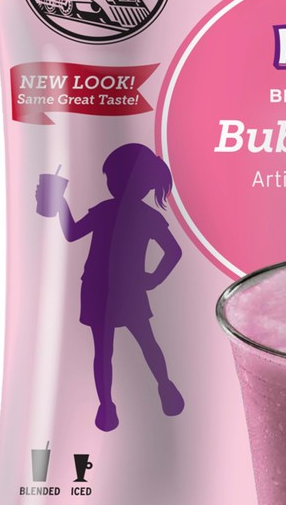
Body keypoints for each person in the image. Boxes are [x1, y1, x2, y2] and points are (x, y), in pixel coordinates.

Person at [36, 143, 184, 431]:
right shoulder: (136, 214)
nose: (110, 183)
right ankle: (139, 395)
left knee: (111, 351)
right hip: (109, 289)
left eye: (112, 177)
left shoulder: (121, 212)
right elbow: (173, 252)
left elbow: (72, 232)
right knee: (138, 344)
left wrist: (59, 203)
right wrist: (153, 278)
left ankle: (120, 401)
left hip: (107, 289)